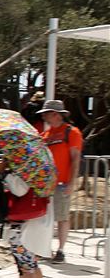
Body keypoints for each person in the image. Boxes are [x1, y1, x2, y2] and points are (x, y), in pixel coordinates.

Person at [0, 157, 53, 278]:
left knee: (25, 267)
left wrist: (5, 173)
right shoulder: (44, 163)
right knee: (33, 263)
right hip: (39, 220)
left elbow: (20, 190)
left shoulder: (28, 164)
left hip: (26, 225)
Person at [38, 99, 83, 263]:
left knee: (62, 216)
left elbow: (75, 158)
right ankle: (45, 248)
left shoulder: (71, 132)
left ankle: (61, 249)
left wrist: (72, 183)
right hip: (45, 184)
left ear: (55, 114)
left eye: (46, 113)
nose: (43, 116)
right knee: (45, 217)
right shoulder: (44, 135)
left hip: (62, 182)